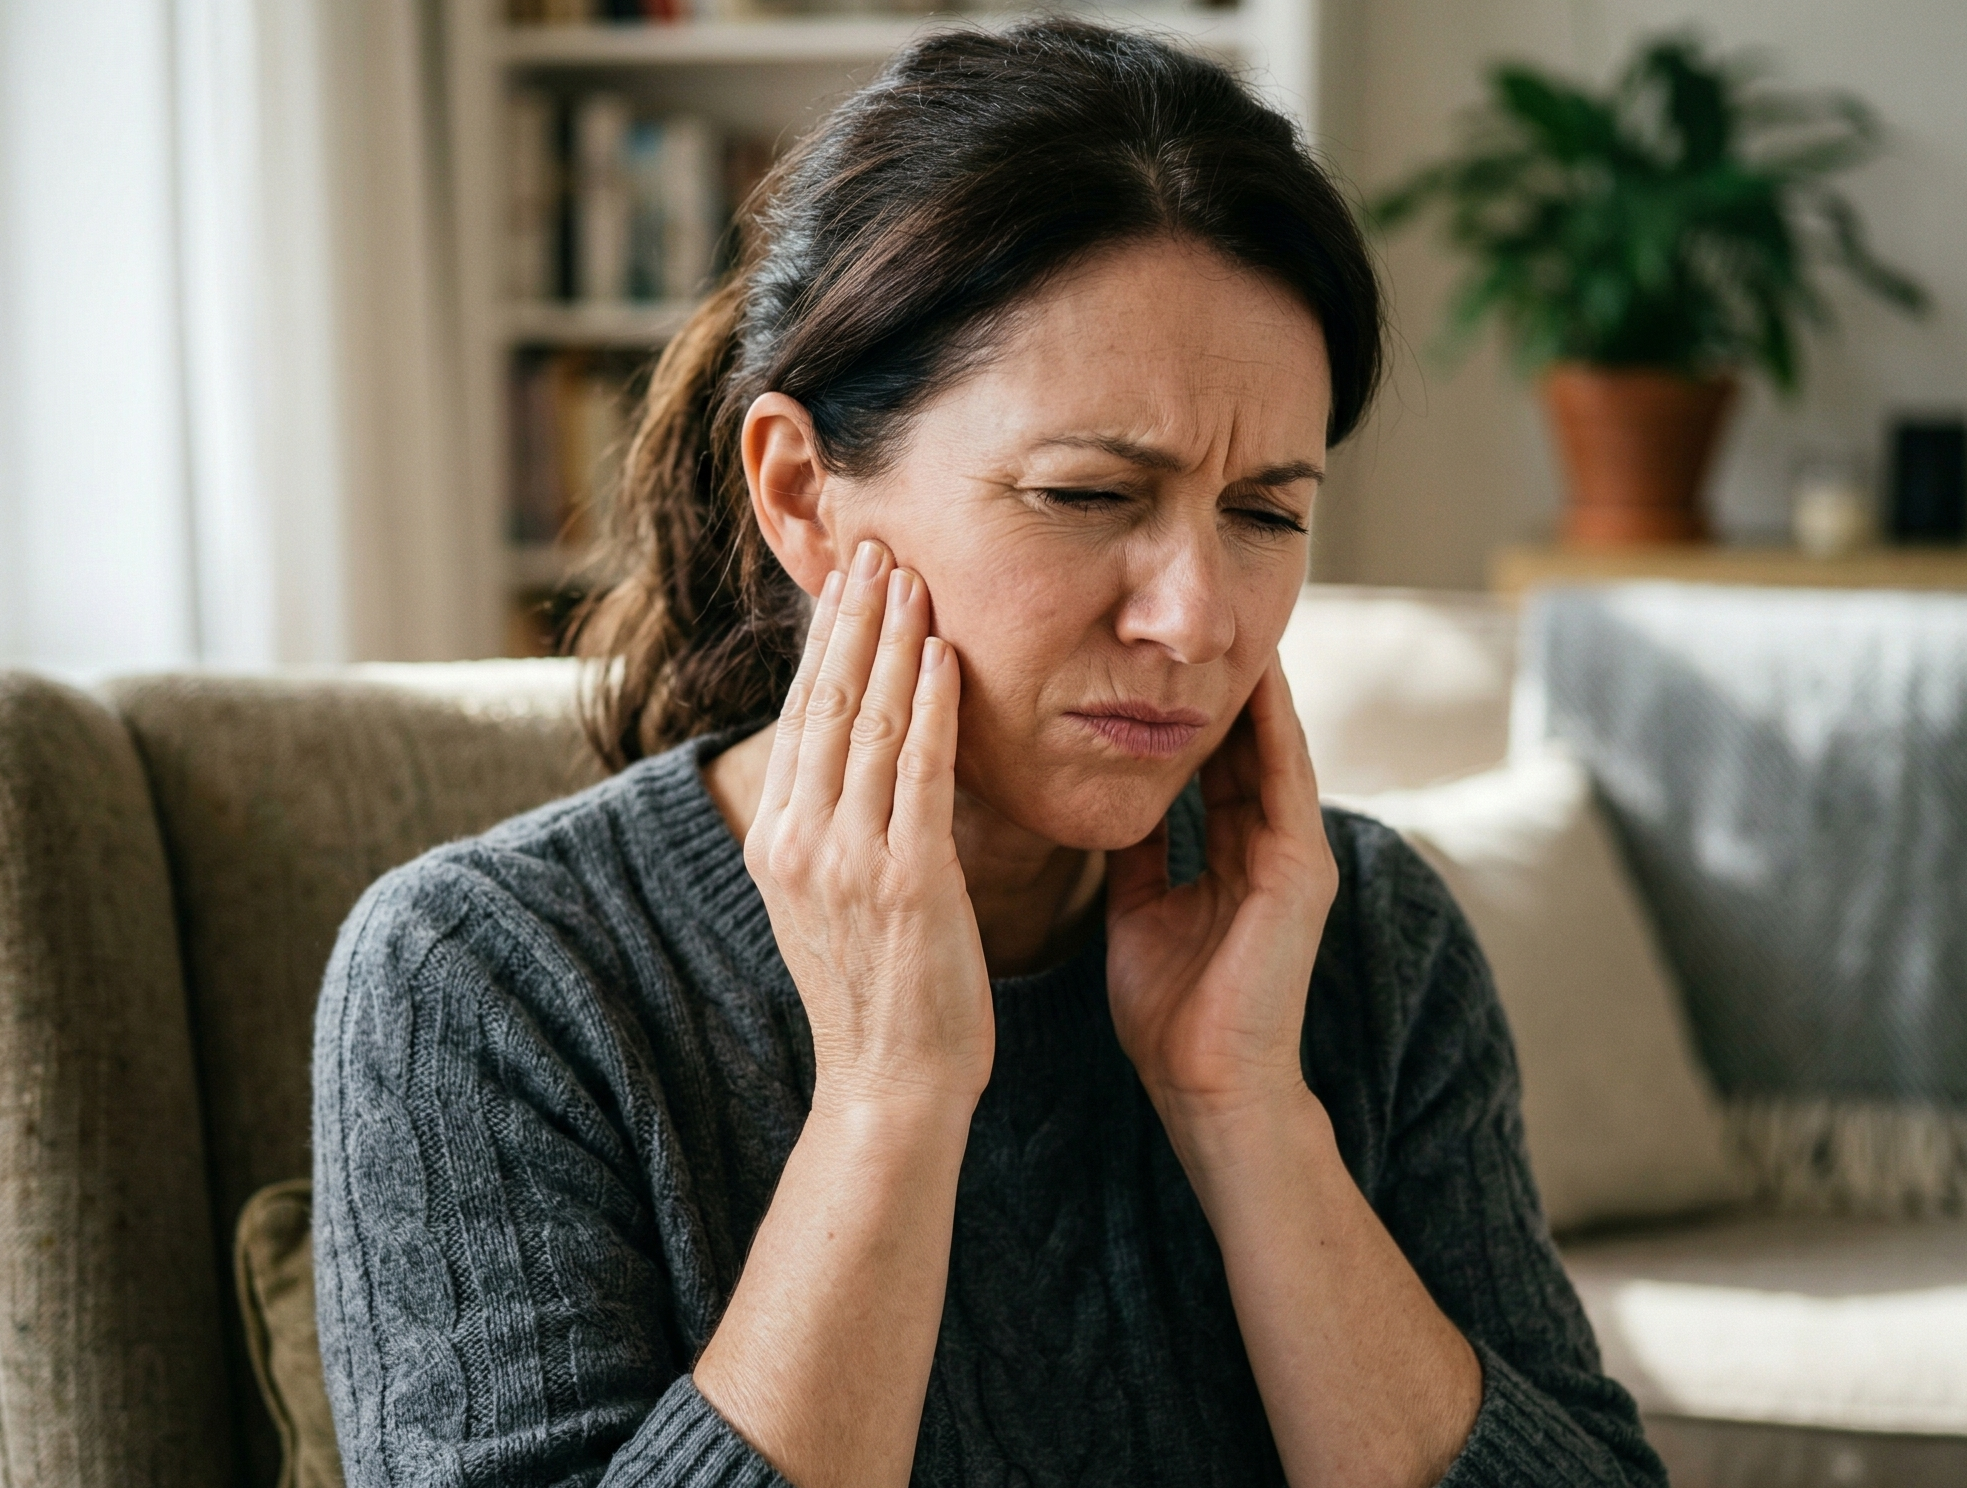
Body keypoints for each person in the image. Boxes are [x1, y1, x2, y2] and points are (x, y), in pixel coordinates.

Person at [312, 19, 1666, 1488]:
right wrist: (889, 1095)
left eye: (1266, 514)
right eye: (1086, 494)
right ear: (802, 493)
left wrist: (1248, 1110)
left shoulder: (1366, 937)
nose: (1196, 617)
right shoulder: (485, 978)